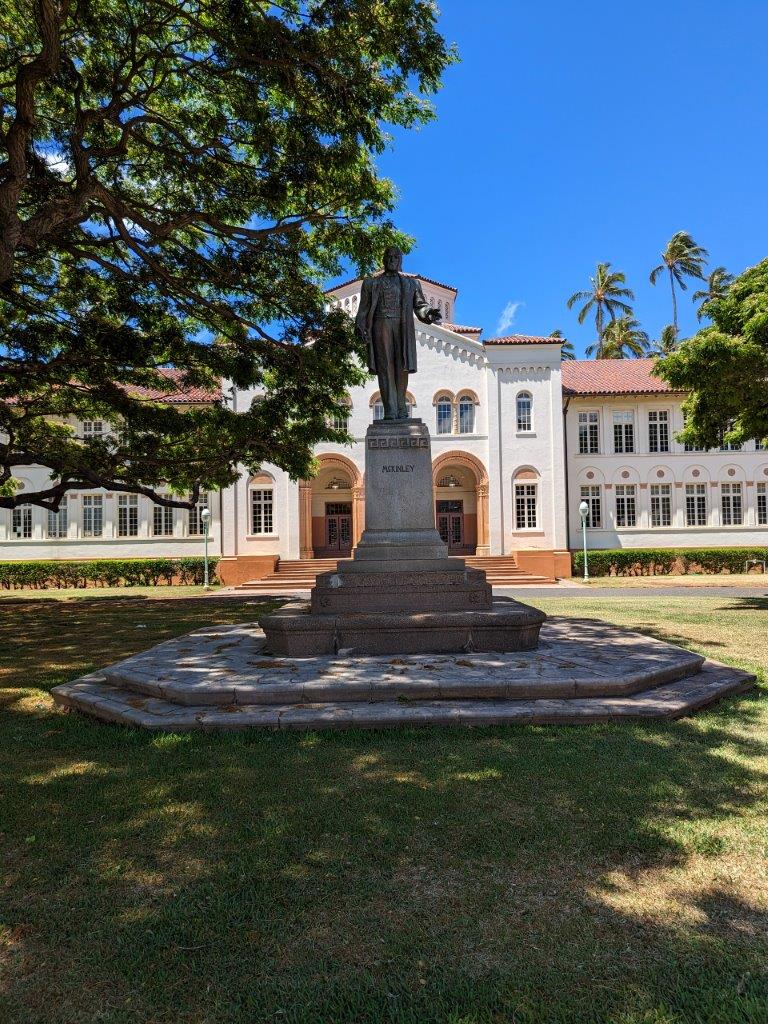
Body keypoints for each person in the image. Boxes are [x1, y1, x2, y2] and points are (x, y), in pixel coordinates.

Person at [355, 246, 442, 419]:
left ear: (400, 261)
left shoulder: (411, 284)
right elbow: (363, 310)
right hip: (381, 325)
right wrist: (360, 327)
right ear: (383, 259)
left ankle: (401, 408)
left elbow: (420, 306)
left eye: (396, 257)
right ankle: (390, 411)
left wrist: (429, 313)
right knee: (385, 366)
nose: (392, 259)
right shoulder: (371, 284)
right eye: (389, 256)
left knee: (402, 366)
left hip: (402, 327)